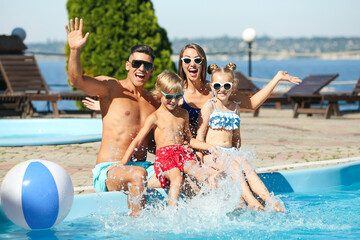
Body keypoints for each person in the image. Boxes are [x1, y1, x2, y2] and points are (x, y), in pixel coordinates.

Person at [65, 18, 159, 217]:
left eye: (147, 65)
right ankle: (136, 231)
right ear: (128, 65)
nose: (141, 68)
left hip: (142, 167)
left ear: (151, 70)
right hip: (110, 169)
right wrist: (75, 50)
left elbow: (153, 146)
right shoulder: (111, 88)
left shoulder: (153, 102)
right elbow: (76, 80)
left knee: (180, 175)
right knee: (138, 176)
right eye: (137, 63)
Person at [118, 71, 221, 206]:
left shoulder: (183, 114)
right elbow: (137, 140)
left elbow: (189, 139)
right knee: (177, 178)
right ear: (160, 93)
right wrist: (123, 162)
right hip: (165, 157)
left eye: (178, 96)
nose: (173, 101)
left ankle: (212, 184)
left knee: (198, 172)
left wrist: (209, 147)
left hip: (183, 154)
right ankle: (173, 213)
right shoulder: (155, 117)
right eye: (169, 97)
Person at [196, 63, 286, 212]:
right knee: (234, 166)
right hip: (213, 154)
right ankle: (251, 201)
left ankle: (268, 199)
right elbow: (200, 135)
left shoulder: (235, 108)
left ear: (233, 87)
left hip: (230, 152)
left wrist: (237, 154)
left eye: (226, 86)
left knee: (245, 164)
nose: (222, 89)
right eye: (217, 86)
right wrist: (200, 159)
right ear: (211, 86)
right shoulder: (210, 106)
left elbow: (236, 137)